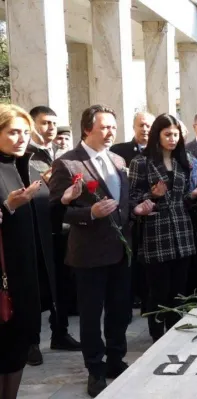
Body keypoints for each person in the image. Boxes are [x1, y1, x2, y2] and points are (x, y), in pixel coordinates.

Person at [49, 104, 154, 397]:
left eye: (113, 127)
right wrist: (89, 213)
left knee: (120, 312)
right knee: (91, 315)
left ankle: (116, 360)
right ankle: (95, 369)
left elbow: (122, 204)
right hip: (89, 254)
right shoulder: (69, 164)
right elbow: (56, 211)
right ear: (87, 129)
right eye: (104, 127)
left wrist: (136, 209)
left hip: (122, 252)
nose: (110, 133)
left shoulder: (120, 161)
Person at [128, 113, 197, 343]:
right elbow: (132, 198)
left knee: (179, 290)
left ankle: (174, 333)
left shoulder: (184, 161)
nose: (172, 139)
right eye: (167, 134)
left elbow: (182, 198)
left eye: (176, 134)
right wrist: (152, 195)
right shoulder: (141, 162)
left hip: (182, 232)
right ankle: (156, 335)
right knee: (158, 290)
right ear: (157, 135)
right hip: (156, 233)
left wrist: (193, 195)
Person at [24, 106, 82, 364]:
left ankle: (60, 332)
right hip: (36, 229)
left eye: (54, 123)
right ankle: (31, 341)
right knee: (36, 287)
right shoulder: (25, 156)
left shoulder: (61, 154)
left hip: (63, 227)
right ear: (33, 124)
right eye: (45, 123)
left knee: (62, 283)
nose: (51, 129)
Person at [0, 104, 44, 398]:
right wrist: (7, 207)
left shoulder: (26, 164)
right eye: (13, 132)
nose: (21, 138)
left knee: (17, 346)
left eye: (26, 132)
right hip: (3, 274)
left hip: (24, 274)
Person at [110, 112, 155, 313]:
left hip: (152, 217)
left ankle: (147, 301)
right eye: (141, 125)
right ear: (134, 127)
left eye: (148, 126)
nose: (145, 129)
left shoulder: (158, 152)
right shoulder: (119, 151)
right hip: (129, 216)